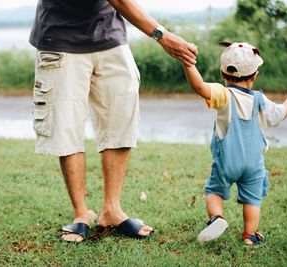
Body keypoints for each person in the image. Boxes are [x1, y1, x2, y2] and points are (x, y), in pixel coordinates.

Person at [29, 0, 198, 242]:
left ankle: (112, 210)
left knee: (120, 117)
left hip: (110, 37)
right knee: (66, 126)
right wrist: (162, 35)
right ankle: (80, 215)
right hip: (61, 38)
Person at [183, 41, 287, 246]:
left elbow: (199, 86)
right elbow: (281, 113)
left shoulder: (223, 95)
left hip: (227, 161)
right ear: (255, 76)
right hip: (254, 164)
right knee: (252, 199)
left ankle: (217, 218)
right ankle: (250, 235)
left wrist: (188, 63)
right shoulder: (261, 100)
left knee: (214, 191)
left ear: (222, 74)